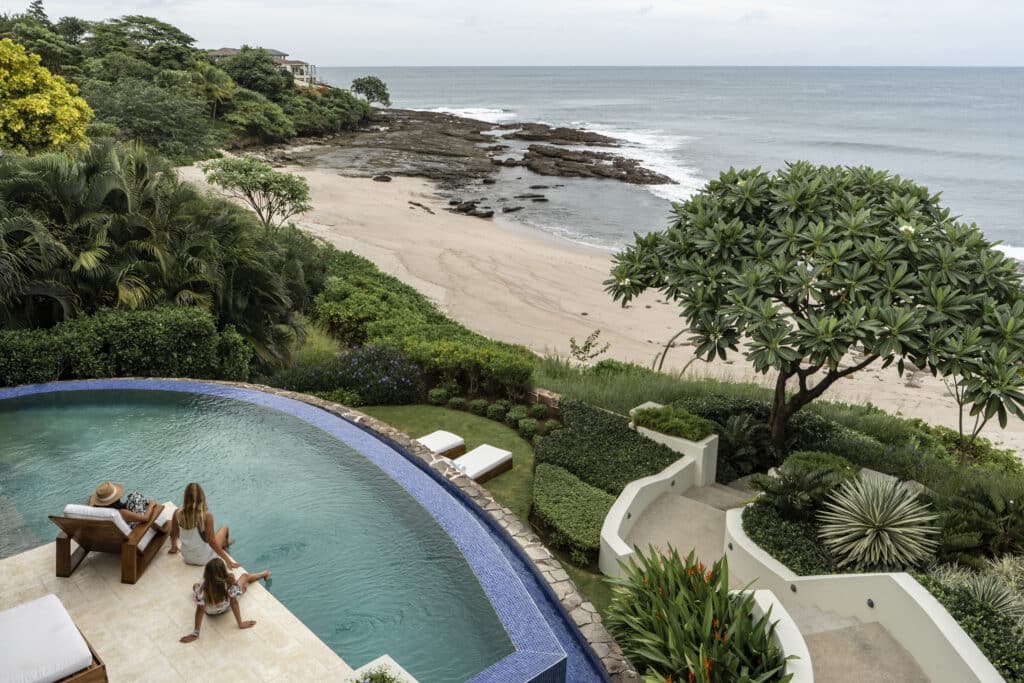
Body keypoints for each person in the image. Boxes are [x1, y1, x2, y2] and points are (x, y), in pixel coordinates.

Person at [179, 557, 271, 643]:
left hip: (210, 612)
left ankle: (241, 590)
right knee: (245, 576)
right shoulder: (229, 584)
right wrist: (240, 623)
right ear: (223, 571)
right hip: (227, 607)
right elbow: (233, 603)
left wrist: (195, 634)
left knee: (195, 586)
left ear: (206, 574)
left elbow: (199, 611)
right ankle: (265, 573)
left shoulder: (203, 590)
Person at [168, 482, 238, 569]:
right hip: (204, 558)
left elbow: (173, 532)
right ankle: (225, 544)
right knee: (224, 528)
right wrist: (227, 560)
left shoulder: (177, 512)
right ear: (201, 497)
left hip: (187, 557)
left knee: (208, 537)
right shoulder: (206, 516)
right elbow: (212, 542)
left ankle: (224, 543)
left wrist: (174, 546)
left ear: (185, 497)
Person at [89, 481, 171, 533]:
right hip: (133, 533)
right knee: (136, 496)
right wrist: (151, 505)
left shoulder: (97, 511)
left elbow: (90, 501)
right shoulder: (119, 513)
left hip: (115, 532)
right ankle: (161, 526)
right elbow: (145, 518)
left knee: (134, 496)